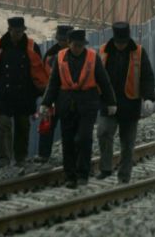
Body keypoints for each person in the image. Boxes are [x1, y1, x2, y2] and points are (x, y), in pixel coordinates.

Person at [40, 28, 116, 188]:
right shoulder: (60, 58)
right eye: (75, 45)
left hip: (87, 104)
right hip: (66, 105)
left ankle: (83, 173)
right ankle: (70, 176)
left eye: (81, 45)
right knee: (67, 141)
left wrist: (111, 102)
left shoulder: (92, 57)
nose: (78, 48)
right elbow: (53, 83)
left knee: (84, 138)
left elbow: (104, 80)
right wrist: (46, 103)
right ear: (69, 44)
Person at [0, 16, 49, 168]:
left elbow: (38, 71)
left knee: (22, 126)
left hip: (24, 95)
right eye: (15, 31)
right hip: (4, 94)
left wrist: (42, 91)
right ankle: (4, 159)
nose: (18, 34)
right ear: (9, 30)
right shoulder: (0, 46)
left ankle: (20, 158)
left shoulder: (31, 46)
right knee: (3, 125)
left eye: (21, 31)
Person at [97, 21, 155, 184]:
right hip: (108, 104)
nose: (121, 45)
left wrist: (149, 98)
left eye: (123, 43)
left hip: (130, 105)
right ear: (114, 40)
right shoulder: (103, 51)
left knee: (127, 144)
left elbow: (147, 77)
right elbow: (97, 77)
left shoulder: (138, 52)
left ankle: (124, 176)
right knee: (103, 132)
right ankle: (106, 168)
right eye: (118, 43)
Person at [35, 24, 73, 163]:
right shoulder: (51, 54)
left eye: (65, 40)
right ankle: (43, 154)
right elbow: (45, 75)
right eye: (61, 40)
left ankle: (70, 155)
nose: (63, 42)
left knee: (69, 127)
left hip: (70, 97)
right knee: (46, 125)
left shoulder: (76, 54)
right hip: (51, 97)